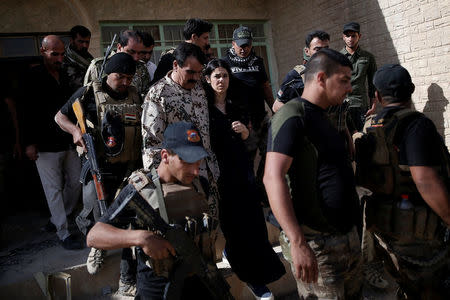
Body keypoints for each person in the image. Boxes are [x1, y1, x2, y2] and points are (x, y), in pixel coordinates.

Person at [263, 49, 362, 299]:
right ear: (320, 78)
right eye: (344, 80)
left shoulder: (323, 116)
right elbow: (272, 177)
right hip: (318, 247)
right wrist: (298, 243)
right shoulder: (292, 114)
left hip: (346, 240)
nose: (349, 88)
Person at [87, 121, 224, 299]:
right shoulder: (140, 190)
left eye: (198, 161)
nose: (195, 170)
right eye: (187, 161)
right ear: (165, 156)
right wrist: (141, 238)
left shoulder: (200, 185)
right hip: (158, 289)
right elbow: (94, 236)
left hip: (200, 281)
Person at [354, 64, 450, 299]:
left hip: (385, 228)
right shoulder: (416, 125)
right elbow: (425, 180)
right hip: (419, 234)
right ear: (412, 90)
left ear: (376, 96)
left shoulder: (371, 127)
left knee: (406, 286)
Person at [55, 52, 142, 295]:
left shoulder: (136, 94)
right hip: (98, 166)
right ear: (107, 74)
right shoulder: (88, 93)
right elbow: (59, 116)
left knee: (129, 220)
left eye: (129, 77)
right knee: (95, 210)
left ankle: (127, 278)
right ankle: (98, 245)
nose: (125, 82)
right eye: (119, 76)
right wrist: (74, 131)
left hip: (129, 167)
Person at [204, 59, 285, 300]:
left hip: (242, 171)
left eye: (225, 76)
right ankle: (253, 279)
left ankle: (259, 275)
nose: (221, 80)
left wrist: (247, 133)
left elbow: (251, 144)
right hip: (219, 175)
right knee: (235, 226)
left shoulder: (236, 106)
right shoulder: (203, 109)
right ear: (207, 79)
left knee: (254, 225)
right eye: (216, 76)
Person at [142, 42, 220, 219]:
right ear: (176, 65)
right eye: (190, 72)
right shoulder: (157, 94)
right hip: (179, 181)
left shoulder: (200, 88)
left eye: (199, 72)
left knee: (210, 232)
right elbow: (152, 146)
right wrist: (163, 188)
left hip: (207, 176)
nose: (195, 77)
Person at [22, 35, 83, 250]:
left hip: (68, 142)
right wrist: (28, 143)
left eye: (62, 54)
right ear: (43, 52)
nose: (59, 58)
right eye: (54, 54)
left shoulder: (66, 75)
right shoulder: (32, 77)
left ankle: (60, 216)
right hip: (44, 145)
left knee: (76, 183)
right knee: (53, 189)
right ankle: (63, 232)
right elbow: (25, 113)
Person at [224, 26, 274, 205]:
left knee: (269, 154)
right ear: (233, 43)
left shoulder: (258, 62)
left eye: (247, 45)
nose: (244, 49)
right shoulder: (226, 63)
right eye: (240, 45)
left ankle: (261, 190)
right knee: (246, 158)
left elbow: (265, 87)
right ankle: (247, 194)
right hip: (241, 121)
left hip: (261, 117)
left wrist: (274, 109)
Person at [272, 30, 330, 113]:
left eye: (326, 49)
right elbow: (276, 106)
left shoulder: (335, 71)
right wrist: (299, 114)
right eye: (318, 49)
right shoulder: (296, 76)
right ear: (307, 51)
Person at [84, 29, 151, 99]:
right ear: (119, 47)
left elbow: (146, 97)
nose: (136, 58)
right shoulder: (99, 65)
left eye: (140, 53)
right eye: (131, 52)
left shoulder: (141, 67)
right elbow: (87, 94)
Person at [151, 18, 213, 85]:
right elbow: (157, 84)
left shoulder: (204, 57)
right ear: (194, 37)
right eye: (205, 38)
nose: (207, 42)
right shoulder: (170, 57)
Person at [341, 21, 377, 132]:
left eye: (353, 35)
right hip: (342, 106)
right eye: (347, 36)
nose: (350, 38)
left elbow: (373, 84)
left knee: (364, 139)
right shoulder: (337, 57)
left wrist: (373, 106)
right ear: (343, 37)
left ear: (359, 36)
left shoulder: (368, 57)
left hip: (361, 106)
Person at [63, 25, 94, 94]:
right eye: (81, 41)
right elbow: (76, 84)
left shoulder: (88, 58)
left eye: (87, 42)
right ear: (71, 40)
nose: (85, 45)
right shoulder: (64, 58)